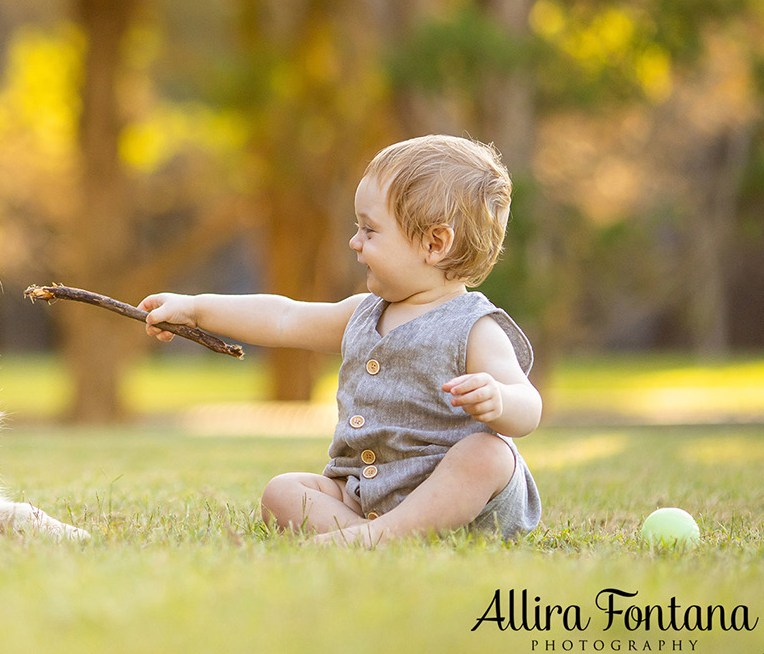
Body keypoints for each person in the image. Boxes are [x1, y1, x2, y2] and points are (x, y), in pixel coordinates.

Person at [141, 134, 541, 546]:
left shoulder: (474, 327)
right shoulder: (363, 313)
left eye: (370, 230)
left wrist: (499, 399)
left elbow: (528, 407)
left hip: (463, 508)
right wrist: (194, 308)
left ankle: (378, 537)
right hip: (368, 497)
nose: (355, 241)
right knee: (283, 491)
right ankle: (377, 537)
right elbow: (284, 317)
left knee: (488, 454)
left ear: (434, 244)